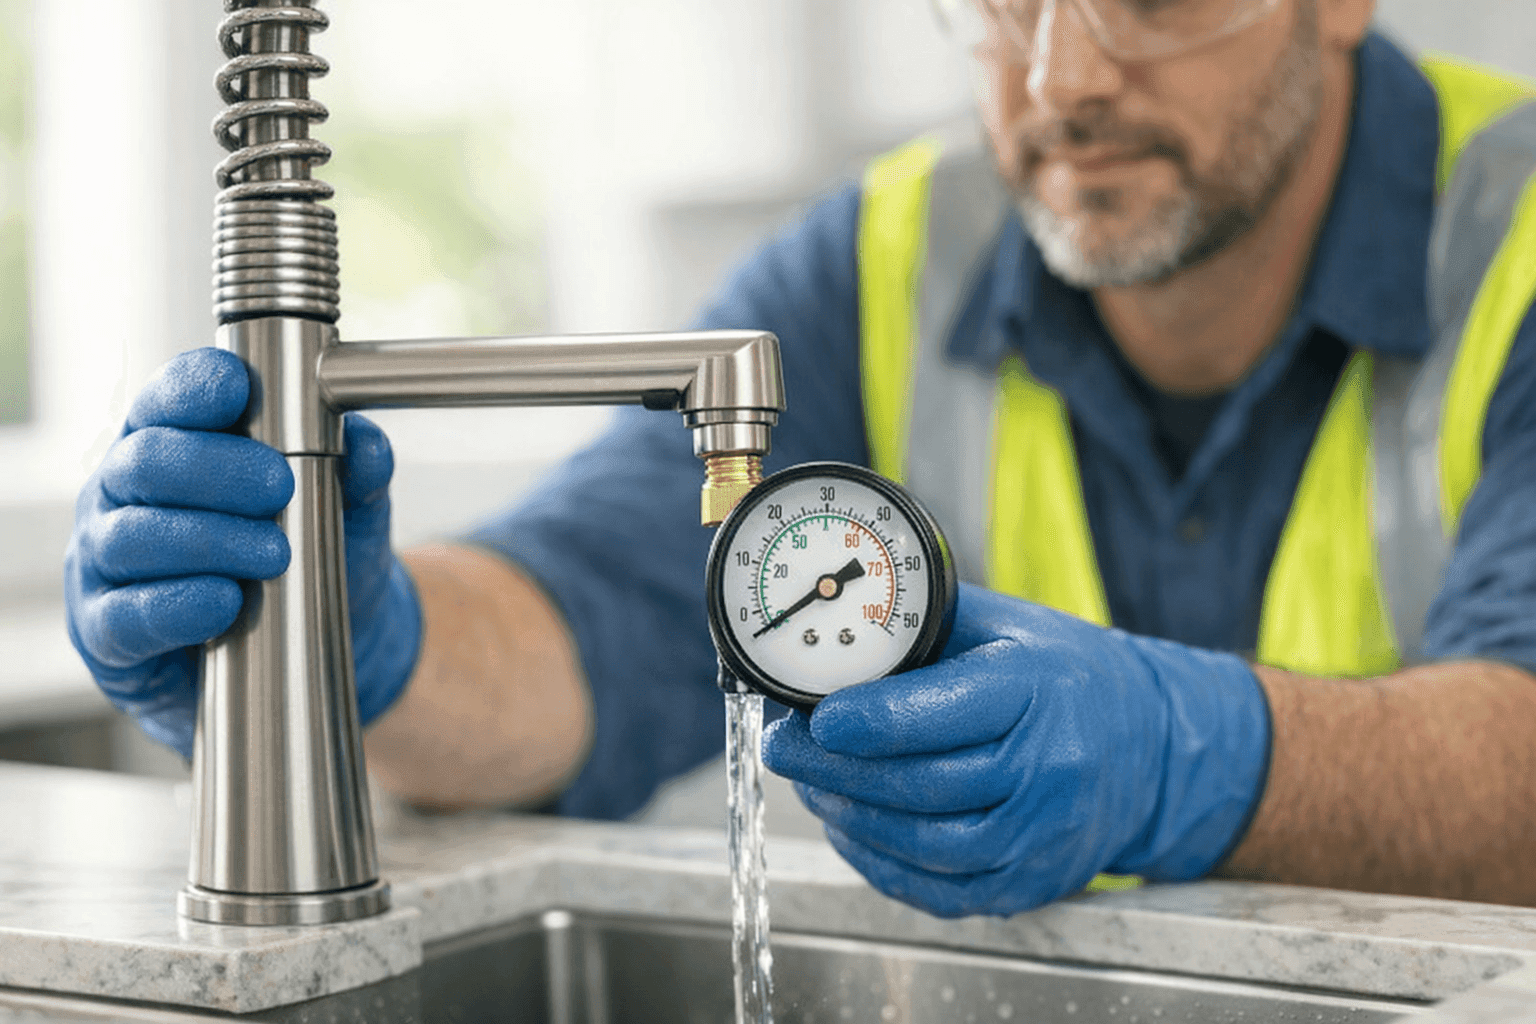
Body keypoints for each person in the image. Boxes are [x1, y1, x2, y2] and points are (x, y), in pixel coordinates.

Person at [65, 0, 1536, 918]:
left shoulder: (1516, 235)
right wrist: (330, 639)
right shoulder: (884, 255)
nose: (1063, 71)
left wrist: (1193, 762)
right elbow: (599, 613)